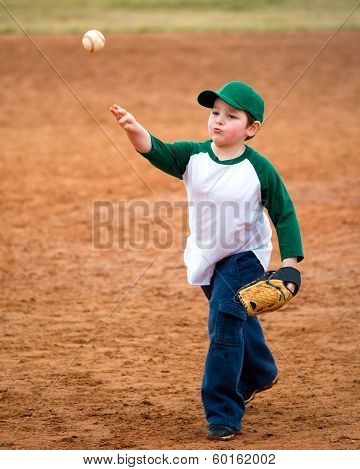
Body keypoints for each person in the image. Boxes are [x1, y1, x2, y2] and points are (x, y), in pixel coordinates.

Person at [110, 81, 304, 440]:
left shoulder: (258, 169)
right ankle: (260, 371)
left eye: (231, 116)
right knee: (238, 317)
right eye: (215, 113)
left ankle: (223, 413)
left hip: (244, 258)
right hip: (205, 258)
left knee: (224, 328)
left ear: (251, 129)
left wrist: (290, 261)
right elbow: (157, 150)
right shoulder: (193, 156)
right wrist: (135, 130)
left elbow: (284, 212)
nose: (218, 120)